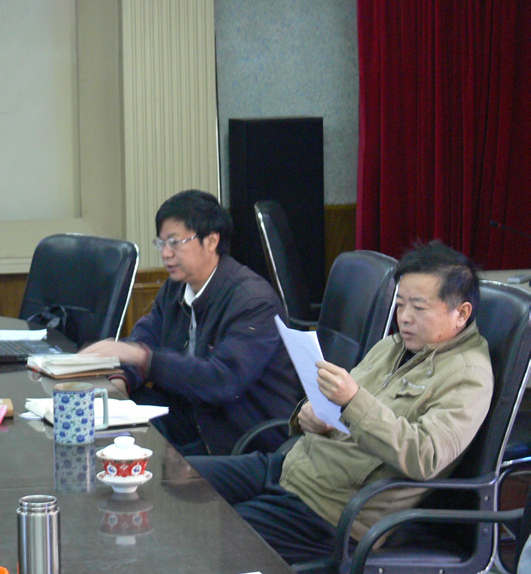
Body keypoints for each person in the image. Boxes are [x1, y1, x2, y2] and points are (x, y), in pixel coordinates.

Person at [188, 241, 494, 564]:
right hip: (292, 468)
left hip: (328, 511)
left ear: (461, 313)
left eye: (419, 308)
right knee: (178, 480)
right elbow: (342, 409)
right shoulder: (393, 346)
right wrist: (309, 414)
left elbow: (425, 456)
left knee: (202, 538)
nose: (404, 318)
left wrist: (353, 401)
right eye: (400, 304)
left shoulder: (467, 375)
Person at [79, 189, 301, 456]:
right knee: (106, 418)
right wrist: (121, 379)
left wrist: (141, 357)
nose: (166, 253)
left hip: (240, 437)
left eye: (175, 242)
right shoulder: (176, 288)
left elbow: (221, 381)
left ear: (211, 241)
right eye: (161, 243)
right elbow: (143, 340)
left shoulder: (253, 302)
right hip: (192, 419)